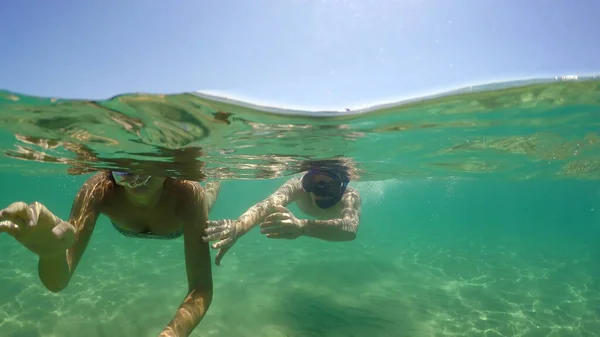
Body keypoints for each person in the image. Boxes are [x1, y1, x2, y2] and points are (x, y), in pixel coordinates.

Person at [0, 170, 221, 337]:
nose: (135, 169)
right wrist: (52, 254)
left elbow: (201, 289)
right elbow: (58, 281)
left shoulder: (188, 194)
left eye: (149, 158)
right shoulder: (99, 190)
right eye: (125, 162)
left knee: (206, 198)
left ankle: (216, 179)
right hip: (136, 222)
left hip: (180, 224)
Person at [202, 160, 362, 266]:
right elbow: (267, 205)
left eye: (327, 186)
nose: (316, 191)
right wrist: (238, 227)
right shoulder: (298, 187)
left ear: (341, 186)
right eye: (311, 183)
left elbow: (350, 229)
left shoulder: (350, 197)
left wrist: (303, 226)